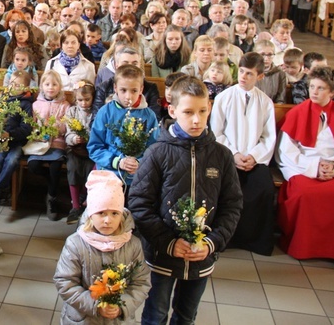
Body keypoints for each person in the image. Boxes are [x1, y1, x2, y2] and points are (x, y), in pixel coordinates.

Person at [129, 76, 243, 325]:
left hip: (202, 255)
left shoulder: (221, 155)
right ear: (172, 110)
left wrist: (211, 243)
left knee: (186, 315)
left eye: (202, 111)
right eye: (188, 111)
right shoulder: (158, 152)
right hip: (163, 254)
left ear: (209, 108)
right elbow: (139, 203)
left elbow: (232, 205)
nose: (196, 119)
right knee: (155, 314)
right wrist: (168, 242)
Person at [54, 170, 151, 324]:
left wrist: (122, 306)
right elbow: (65, 282)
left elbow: (141, 282)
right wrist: (95, 305)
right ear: (91, 214)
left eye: (114, 213)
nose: (108, 220)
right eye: (101, 213)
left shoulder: (133, 244)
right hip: (84, 319)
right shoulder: (76, 244)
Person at [276, 67, 334, 269]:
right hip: (303, 167)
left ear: (332, 92)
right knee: (305, 194)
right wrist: (315, 167)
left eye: (321, 88)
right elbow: (286, 152)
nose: (314, 92)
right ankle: (303, 247)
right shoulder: (297, 113)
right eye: (312, 87)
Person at [211, 52, 276, 255]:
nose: (243, 77)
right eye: (241, 71)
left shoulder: (265, 102)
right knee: (224, 190)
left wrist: (254, 157)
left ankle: (254, 241)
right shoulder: (224, 97)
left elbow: (268, 137)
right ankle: (224, 238)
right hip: (228, 158)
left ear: (260, 76)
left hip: (254, 160)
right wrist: (235, 154)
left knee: (264, 188)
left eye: (249, 74)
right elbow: (216, 132)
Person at [89, 65, 160, 200]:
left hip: (137, 178)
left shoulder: (149, 116)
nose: (128, 96)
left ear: (141, 89)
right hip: (110, 174)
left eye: (134, 91)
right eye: (123, 90)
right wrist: (117, 162)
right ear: (115, 88)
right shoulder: (105, 112)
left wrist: (139, 162)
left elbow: (154, 149)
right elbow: (94, 147)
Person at [25, 70, 70, 221]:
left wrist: (55, 126)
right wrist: (38, 130)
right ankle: (52, 185)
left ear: (59, 86)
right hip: (39, 143)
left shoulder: (65, 105)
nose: (50, 87)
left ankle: (51, 197)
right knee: (33, 166)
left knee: (56, 166)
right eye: (47, 84)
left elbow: (66, 127)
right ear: (42, 86)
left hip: (57, 142)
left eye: (54, 84)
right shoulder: (36, 104)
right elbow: (31, 125)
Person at [0, 70, 34, 207]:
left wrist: (10, 135)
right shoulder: (2, 100)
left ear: (25, 88)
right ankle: (4, 188)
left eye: (18, 85)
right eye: (12, 84)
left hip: (16, 142)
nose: (14, 87)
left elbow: (26, 129)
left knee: (12, 160)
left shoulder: (26, 104)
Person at [64, 81, 96, 224]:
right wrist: (74, 139)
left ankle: (87, 201)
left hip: (91, 149)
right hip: (75, 149)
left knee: (91, 170)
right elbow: (68, 134)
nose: (83, 103)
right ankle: (75, 206)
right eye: (80, 100)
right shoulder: (72, 111)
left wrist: (88, 138)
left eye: (87, 99)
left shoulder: (96, 112)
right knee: (73, 168)